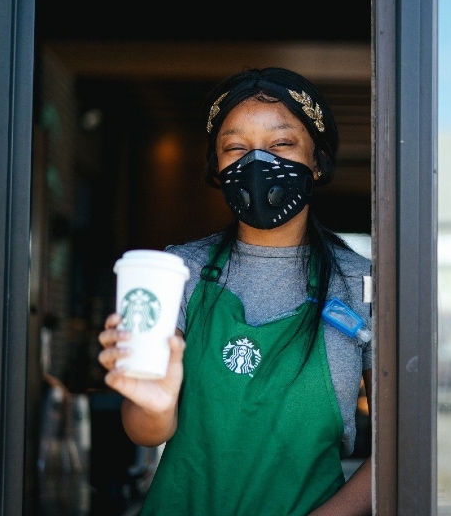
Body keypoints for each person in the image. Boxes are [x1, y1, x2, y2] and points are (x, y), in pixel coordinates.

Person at [98, 66, 372, 516]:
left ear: (317, 162)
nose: (257, 163)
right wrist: (154, 403)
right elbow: (143, 430)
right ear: (217, 168)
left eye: (282, 143)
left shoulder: (360, 284)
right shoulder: (178, 271)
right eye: (236, 148)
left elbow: (397, 443)